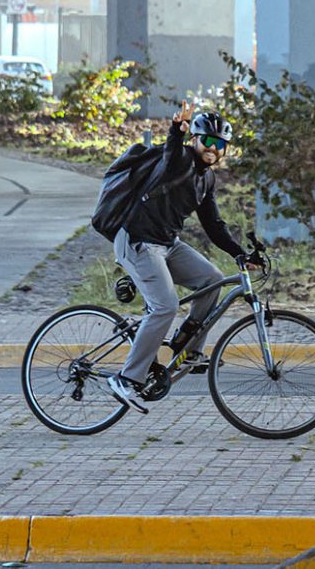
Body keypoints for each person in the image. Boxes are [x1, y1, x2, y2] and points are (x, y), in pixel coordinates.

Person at [107, 101, 256, 414]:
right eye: (208, 141)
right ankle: (126, 379)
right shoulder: (180, 160)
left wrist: (240, 254)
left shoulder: (206, 179)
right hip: (137, 239)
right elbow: (172, 152)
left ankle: (188, 350)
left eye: (221, 144)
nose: (213, 149)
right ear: (195, 140)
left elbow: (214, 225)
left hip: (166, 243)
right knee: (165, 306)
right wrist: (177, 129)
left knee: (212, 280)